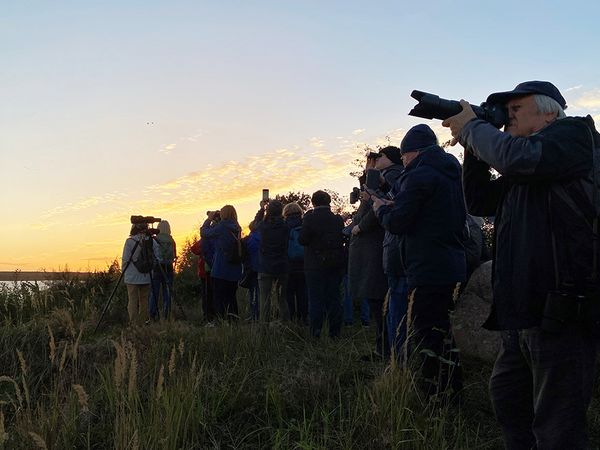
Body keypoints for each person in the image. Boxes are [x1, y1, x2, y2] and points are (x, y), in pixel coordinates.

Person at [443, 80, 599, 449]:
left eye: (516, 110)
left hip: (563, 312)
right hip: (524, 313)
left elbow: (516, 157)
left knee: (557, 426)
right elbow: (480, 201)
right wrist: (474, 149)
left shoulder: (574, 136)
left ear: (548, 111)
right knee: (510, 402)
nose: (507, 116)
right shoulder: (530, 165)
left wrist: (473, 128)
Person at [374, 124, 466, 399]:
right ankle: (451, 385)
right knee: (440, 329)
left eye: (403, 156)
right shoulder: (448, 173)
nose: (402, 162)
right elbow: (427, 214)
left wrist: (381, 210)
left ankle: (434, 393)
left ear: (412, 153)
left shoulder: (419, 176)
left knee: (426, 332)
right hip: (448, 260)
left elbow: (400, 223)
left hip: (427, 264)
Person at [348, 154, 389, 359]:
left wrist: (359, 227)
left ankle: (386, 351)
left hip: (376, 250)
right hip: (373, 251)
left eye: (371, 162)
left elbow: (376, 208)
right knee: (377, 305)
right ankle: (382, 349)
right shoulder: (380, 181)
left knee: (381, 304)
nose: (367, 166)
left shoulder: (389, 179)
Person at [375, 146, 409, 361]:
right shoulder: (392, 176)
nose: (377, 159)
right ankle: (393, 355)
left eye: (381, 156)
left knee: (396, 309)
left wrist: (379, 206)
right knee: (393, 307)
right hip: (396, 252)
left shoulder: (394, 175)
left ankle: (396, 358)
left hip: (397, 252)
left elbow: (395, 215)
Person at [299, 190, 345, 338]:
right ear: (329, 202)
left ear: (313, 203)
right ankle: (335, 332)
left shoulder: (309, 219)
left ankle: (315, 332)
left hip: (314, 265)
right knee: (334, 298)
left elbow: (303, 240)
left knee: (315, 299)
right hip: (334, 264)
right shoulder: (337, 219)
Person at [200, 206, 243, 321]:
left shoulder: (222, 226)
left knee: (219, 298)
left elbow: (205, 233)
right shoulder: (237, 227)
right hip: (234, 269)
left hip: (221, 269)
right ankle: (233, 321)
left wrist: (209, 219)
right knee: (231, 298)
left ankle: (221, 322)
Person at [254, 200, 291, 322]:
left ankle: (264, 331)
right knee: (282, 299)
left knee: (264, 300)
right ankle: (286, 327)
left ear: (268, 211)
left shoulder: (263, 227)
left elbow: (255, 224)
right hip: (282, 266)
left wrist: (261, 209)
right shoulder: (286, 226)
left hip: (265, 266)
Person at [121, 223, 158, 326]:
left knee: (132, 300)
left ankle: (133, 324)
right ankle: (142, 324)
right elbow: (157, 257)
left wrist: (123, 271)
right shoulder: (151, 241)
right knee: (144, 300)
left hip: (132, 276)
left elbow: (125, 259)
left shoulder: (130, 241)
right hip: (146, 276)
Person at [283, 202, 308, 324]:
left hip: (288, 266)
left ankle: (292, 319)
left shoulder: (284, 227)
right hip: (304, 265)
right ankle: (304, 318)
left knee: (289, 294)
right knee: (303, 293)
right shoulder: (305, 225)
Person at [149, 220, 176, 320]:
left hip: (157, 268)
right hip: (168, 268)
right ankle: (166, 315)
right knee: (167, 292)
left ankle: (152, 315)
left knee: (154, 293)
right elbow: (173, 256)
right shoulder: (172, 240)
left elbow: (152, 254)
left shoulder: (155, 239)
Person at [241, 220, 261, 321]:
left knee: (253, 293)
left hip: (252, 270)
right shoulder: (264, 237)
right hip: (264, 268)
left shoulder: (249, 239)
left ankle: (255, 315)